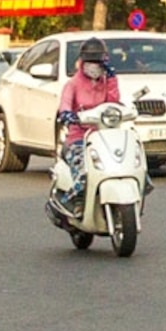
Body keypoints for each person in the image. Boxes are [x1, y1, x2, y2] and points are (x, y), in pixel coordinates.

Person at [53, 37, 125, 210]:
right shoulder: (72, 85)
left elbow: (113, 103)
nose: (95, 66)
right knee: (85, 172)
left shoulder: (106, 82)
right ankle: (72, 200)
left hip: (103, 137)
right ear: (82, 63)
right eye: (91, 62)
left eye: (99, 62)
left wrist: (112, 80)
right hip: (79, 139)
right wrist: (68, 115)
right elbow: (64, 105)